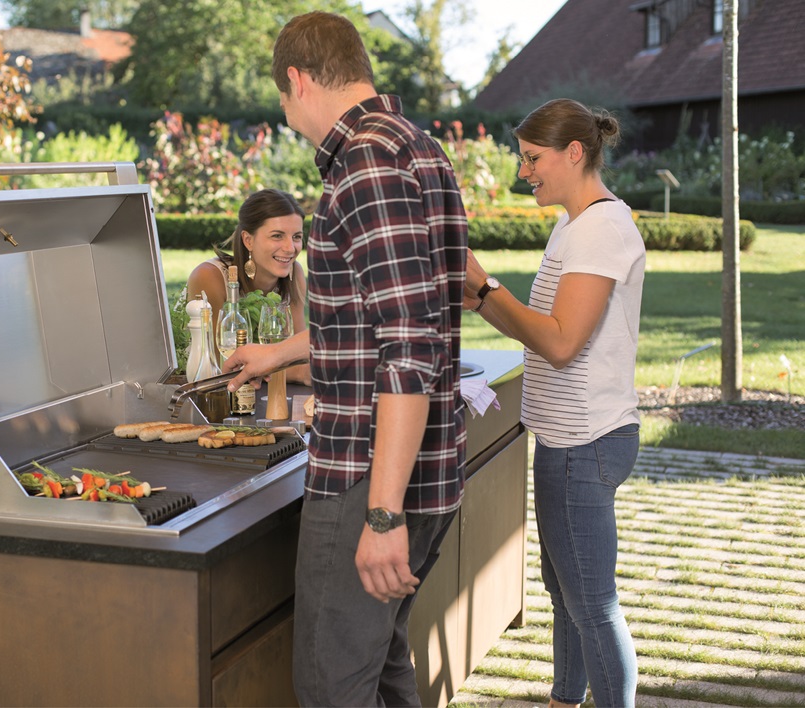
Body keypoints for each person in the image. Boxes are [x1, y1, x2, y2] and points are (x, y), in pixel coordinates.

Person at [223, 11, 468, 706]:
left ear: (297, 81)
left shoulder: (363, 165)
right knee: (384, 670)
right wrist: (275, 352)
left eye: (281, 97)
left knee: (332, 688)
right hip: (422, 467)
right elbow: (376, 316)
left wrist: (382, 515)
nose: (286, 111)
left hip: (370, 478)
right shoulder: (417, 147)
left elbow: (407, 345)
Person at [464, 98, 644, 708]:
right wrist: (483, 300)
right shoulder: (575, 224)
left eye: (532, 158)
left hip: (585, 441)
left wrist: (488, 286)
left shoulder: (601, 227)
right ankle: (564, 700)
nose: (524, 172)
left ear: (575, 152)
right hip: (567, 438)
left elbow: (562, 343)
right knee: (566, 590)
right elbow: (547, 325)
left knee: (592, 601)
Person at [185, 189, 310, 384]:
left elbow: (300, 353)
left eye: (296, 237)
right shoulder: (210, 277)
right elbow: (218, 364)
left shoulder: (295, 275)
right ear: (248, 240)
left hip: (267, 395)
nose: (290, 248)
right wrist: (299, 373)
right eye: (277, 236)